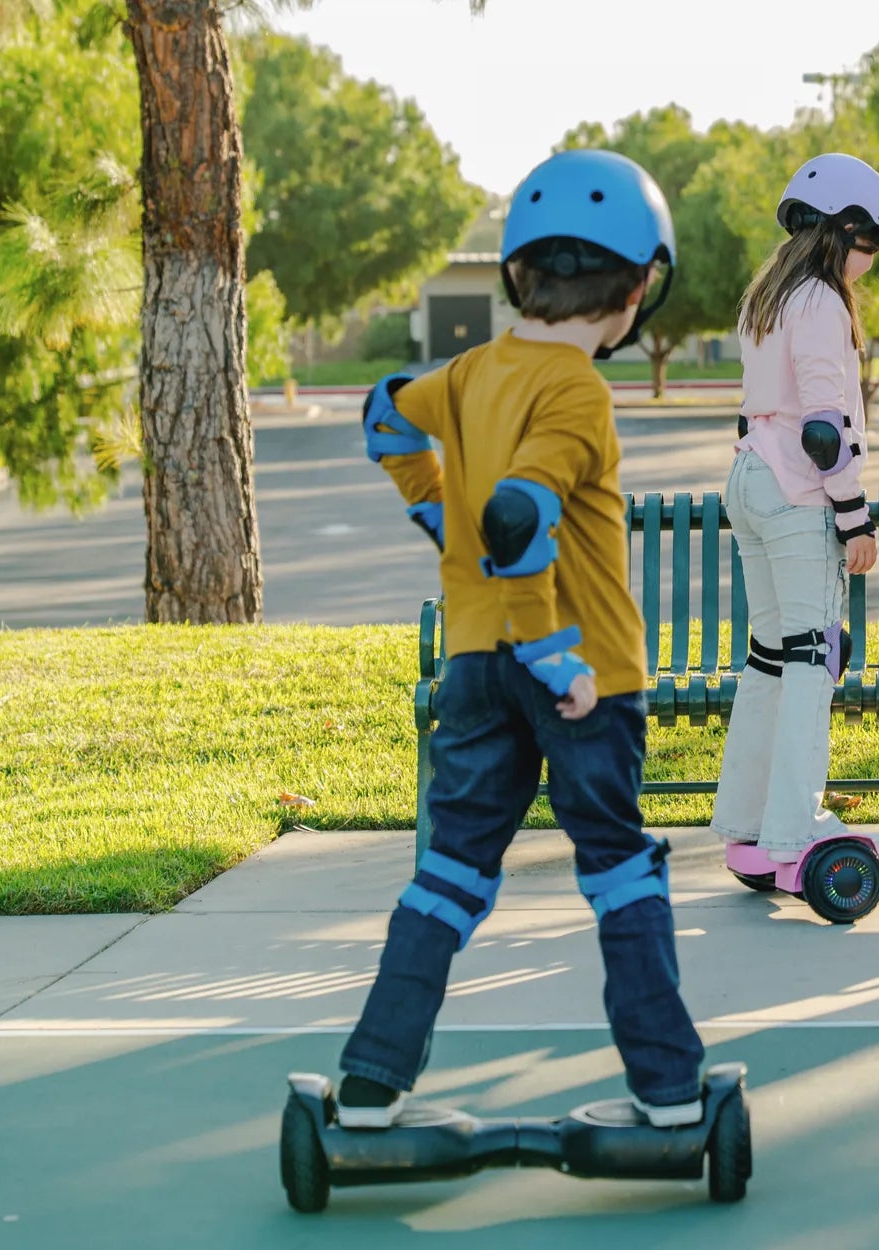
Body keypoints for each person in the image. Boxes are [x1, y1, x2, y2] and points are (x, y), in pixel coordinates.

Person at [335, 149, 706, 1129]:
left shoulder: (469, 372)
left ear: (515, 272)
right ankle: (669, 1087)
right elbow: (519, 512)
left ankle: (371, 1080)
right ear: (639, 289)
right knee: (619, 868)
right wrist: (551, 652)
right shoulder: (578, 389)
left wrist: (434, 512)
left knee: (450, 872)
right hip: (582, 675)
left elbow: (385, 414)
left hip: (472, 666)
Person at [709, 153, 879, 864]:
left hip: (752, 479)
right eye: (872, 243)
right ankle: (794, 829)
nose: (871, 261)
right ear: (846, 229)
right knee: (814, 658)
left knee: (770, 658)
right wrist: (854, 518)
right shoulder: (821, 299)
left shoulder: (768, 294)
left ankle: (748, 820)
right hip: (797, 490)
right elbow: (823, 429)